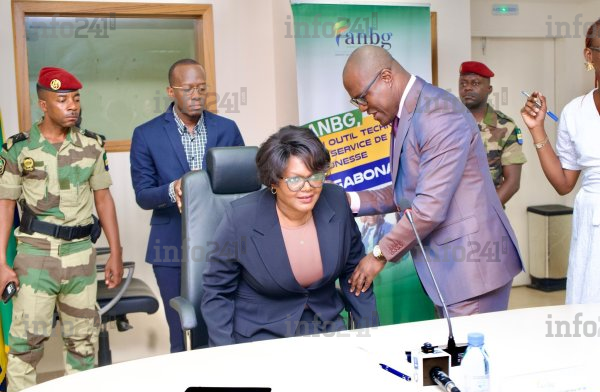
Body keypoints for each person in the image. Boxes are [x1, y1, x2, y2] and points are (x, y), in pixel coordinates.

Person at [342, 45, 523, 317]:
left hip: (473, 270)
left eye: (362, 98)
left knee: (470, 345)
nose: (363, 109)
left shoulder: (437, 113)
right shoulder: (409, 113)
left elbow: (429, 207)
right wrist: (349, 200)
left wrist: (379, 254)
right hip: (451, 273)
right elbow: (406, 190)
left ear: (386, 78)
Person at [0, 67, 123, 392]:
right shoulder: (18, 149)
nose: (72, 106)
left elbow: (104, 199)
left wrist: (116, 251)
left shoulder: (92, 145)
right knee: (26, 348)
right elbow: (5, 206)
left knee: (83, 345)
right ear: (43, 105)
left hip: (81, 255)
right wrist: (1, 263)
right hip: (35, 257)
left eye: (76, 99)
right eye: (63, 100)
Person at [202, 126, 379, 346]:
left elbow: (355, 275)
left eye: (315, 176)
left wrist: (372, 338)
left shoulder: (336, 201)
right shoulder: (240, 218)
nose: (308, 188)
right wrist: (224, 353)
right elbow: (217, 291)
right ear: (274, 182)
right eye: (295, 180)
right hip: (262, 332)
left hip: (325, 327)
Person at [130, 59, 244, 352]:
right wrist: (173, 189)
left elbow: (243, 182)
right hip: (170, 249)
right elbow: (143, 195)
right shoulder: (147, 134)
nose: (196, 95)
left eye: (202, 88)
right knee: (182, 331)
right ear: (171, 91)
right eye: (188, 89)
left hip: (224, 243)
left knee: (226, 326)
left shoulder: (227, 128)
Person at [520, 18, 600, 304]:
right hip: (592, 221)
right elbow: (564, 184)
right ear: (589, 55)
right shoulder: (575, 112)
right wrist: (537, 129)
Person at [458, 61, 526, 205]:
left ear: (489, 89)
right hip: (448, 213)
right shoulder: (445, 123)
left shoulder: (505, 127)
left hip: (487, 211)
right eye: (463, 83)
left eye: (475, 83)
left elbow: (512, 182)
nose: (467, 87)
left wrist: (485, 211)